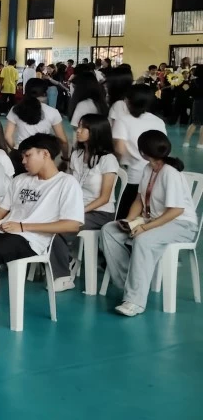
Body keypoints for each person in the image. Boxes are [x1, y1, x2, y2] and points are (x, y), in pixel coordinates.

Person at [0, 133, 83, 356]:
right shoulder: (21, 180)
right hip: (5, 230)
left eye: (27, 156)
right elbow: (2, 210)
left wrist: (23, 227)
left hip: (30, 239)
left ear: (45, 154)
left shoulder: (66, 183)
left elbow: (72, 225)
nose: (24, 161)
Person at [101, 130, 198, 317]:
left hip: (181, 225)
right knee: (109, 230)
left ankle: (135, 301)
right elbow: (139, 199)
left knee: (143, 240)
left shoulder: (170, 173)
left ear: (143, 151)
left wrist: (144, 227)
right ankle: (127, 284)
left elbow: (176, 211)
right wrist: (129, 221)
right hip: (155, 220)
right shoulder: (148, 169)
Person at [48, 113, 119, 292]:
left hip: (99, 212)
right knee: (42, 223)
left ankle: (63, 277)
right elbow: (70, 184)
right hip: (75, 209)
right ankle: (69, 261)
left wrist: (79, 211)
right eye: (78, 126)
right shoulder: (76, 154)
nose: (78, 131)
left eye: (83, 128)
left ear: (96, 132)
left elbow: (104, 198)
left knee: (57, 229)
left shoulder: (108, 160)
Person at [112, 84, 167, 217]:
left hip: (131, 176)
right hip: (154, 174)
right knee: (144, 212)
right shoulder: (158, 121)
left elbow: (119, 149)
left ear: (128, 101)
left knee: (124, 211)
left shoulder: (123, 120)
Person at [4, 78, 67, 156]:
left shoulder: (16, 109)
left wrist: (17, 151)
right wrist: (65, 158)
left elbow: (7, 136)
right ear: (44, 93)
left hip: (22, 152)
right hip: (42, 155)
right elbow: (63, 141)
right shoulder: (53, 112)